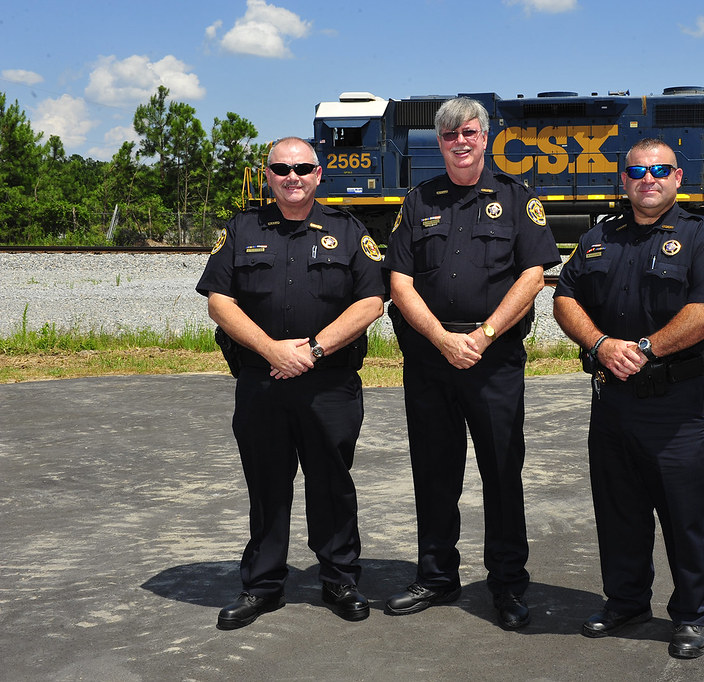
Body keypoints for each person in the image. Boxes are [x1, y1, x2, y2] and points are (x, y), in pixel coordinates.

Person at [552, 138, 704, 659]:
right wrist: (599, 344)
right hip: (611, 399)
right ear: (624, 180)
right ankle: (626, 601)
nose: (648, 179)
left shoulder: (702, 236)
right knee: (618, 509)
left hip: (676, 402)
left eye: (659, 170)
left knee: (682, 513)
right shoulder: (598, 238)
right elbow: (563, 297)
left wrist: (642, 349)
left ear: (677, 177)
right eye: (637, 171)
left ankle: (690, 614)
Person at [383, 97, 560, 630]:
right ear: (439, 143)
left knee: (502, 474)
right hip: (432, 363)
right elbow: (399, 282)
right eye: (449, 135)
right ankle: (437, 576)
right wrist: (441, 339)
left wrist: (482, 337)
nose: (460, 142)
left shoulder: (516, 197)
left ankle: (506, 584)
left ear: (486, 137)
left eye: (469, 133)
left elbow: (534, 277)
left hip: (495, 362)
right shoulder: (417, 201)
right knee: (434, 473)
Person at [196, 136, 386, 630]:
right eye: (281, 169)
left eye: (302, 167)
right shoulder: (242, 229)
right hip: (263, 382)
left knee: (332, 485)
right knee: (267, 486)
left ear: (319, 173)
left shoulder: (347, 230)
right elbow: (219, 301)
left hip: (329, 383)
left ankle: (340, 579)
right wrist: (272, 350)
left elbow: (371, 302)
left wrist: (313, 350)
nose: (292, 176)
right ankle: (262, 586)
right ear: (268, 177)